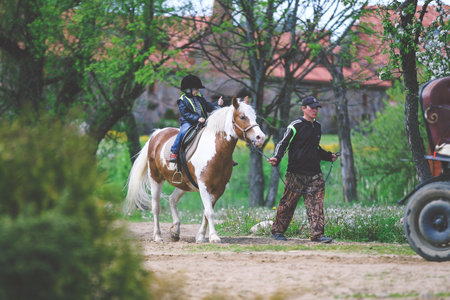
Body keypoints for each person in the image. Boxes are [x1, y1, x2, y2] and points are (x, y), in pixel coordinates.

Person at [267, 96, 338, 243]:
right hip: (295, 173)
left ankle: (317, 235)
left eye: (317, 107)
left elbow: (315, 149)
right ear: (304, 108)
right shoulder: (296, 125)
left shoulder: (317, 126)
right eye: (312, 107)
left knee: (316, 204)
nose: (315, 110)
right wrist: (276, 157)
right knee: (288, 203)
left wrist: (328, 156)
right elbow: (283, 143)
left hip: (315, 173)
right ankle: (278, 231)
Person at [169, 74, 224, 162]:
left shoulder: (200, 98)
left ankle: (223, 154)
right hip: (189, 122)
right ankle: (174, 152)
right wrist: (197, 118)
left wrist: (217, 104)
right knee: (182, 132)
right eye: (196, 89)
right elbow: (185, 114)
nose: (198, 90)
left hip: (203, 121)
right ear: (188, 90)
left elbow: (209, 107)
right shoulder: (182, 100)